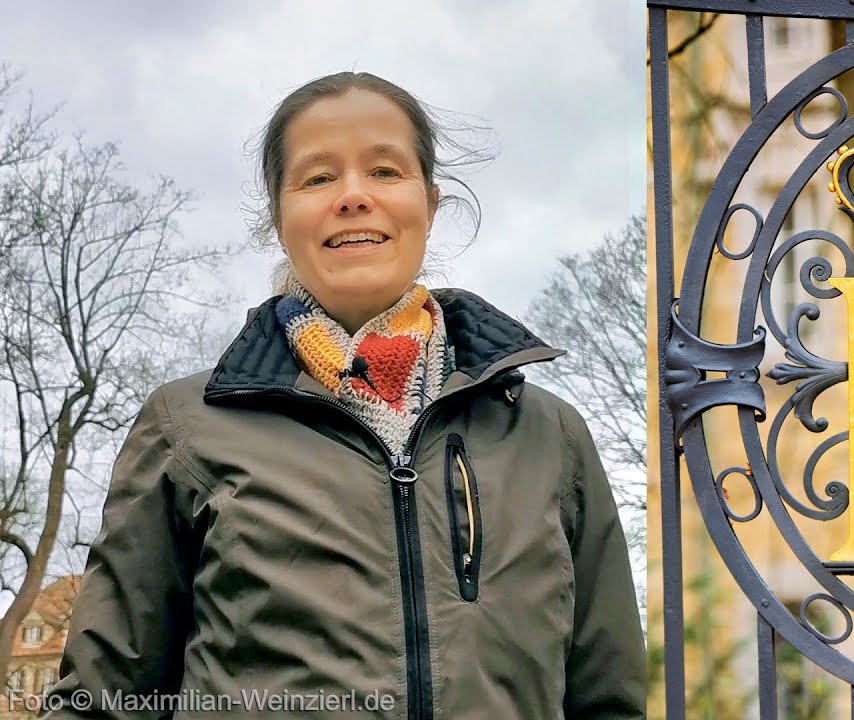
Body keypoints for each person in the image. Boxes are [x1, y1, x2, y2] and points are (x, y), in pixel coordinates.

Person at [43, 72, 645, 719]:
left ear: (430, 204)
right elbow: (101, 702)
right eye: (319, 177)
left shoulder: (549, 435)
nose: (354, 196)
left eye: (385, 171)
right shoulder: (186, 427)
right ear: (279, 217)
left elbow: (608, 701)